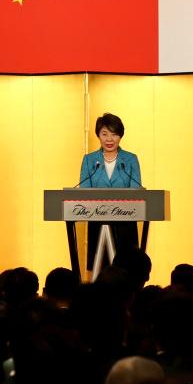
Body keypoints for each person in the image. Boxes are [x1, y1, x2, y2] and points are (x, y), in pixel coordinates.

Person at [78, 113, 142, 271]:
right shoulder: (89, 160)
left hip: (125, 223)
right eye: (104, 134)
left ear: (121, 136)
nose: (109, 139)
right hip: (97, 221)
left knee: (128, 269)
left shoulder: (131, 159)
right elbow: (84, 190)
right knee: (101, 269)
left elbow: (136, 190)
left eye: (114, 134)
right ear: (98, 135)